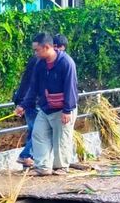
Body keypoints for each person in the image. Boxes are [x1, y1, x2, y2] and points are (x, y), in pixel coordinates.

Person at [16, 33, 78, 176]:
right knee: (38, 134)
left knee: (61, 138)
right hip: (46, 108)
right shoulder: (40, 64)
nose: (35, 53)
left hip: (63, 109)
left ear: (47, 47)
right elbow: (33, 88)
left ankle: (61, 167)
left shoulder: (66, 63)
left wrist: (67, 110)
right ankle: (42, 167)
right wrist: (23, 105)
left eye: (37, 50)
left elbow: (70, 88)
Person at [13, 39, 41, 168]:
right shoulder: (40, 62)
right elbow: (33, 85)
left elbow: (25, 82)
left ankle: (28, 161)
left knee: (32, 130)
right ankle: (26, 155)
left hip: (27, 101)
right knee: (39, 131)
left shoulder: (33, 61)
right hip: (33, 102)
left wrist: (21, 102)